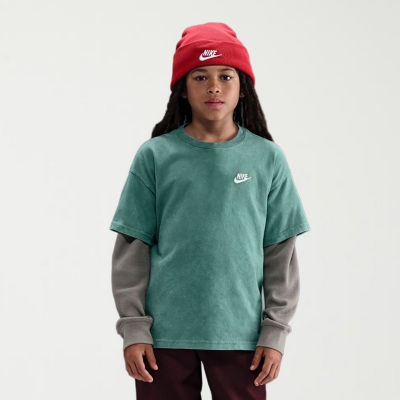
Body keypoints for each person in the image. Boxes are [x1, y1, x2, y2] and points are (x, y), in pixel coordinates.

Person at [109, 22, 311, 400]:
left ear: (242, 87)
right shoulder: (155, 156)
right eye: (200, 76)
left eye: (225, 76)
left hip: (242, 337)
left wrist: (275, 331)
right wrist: (134, 329)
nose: (214, 86)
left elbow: (280, 253)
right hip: (163, 338)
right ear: (183, 89)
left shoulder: (267, 158)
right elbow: (132, 248)